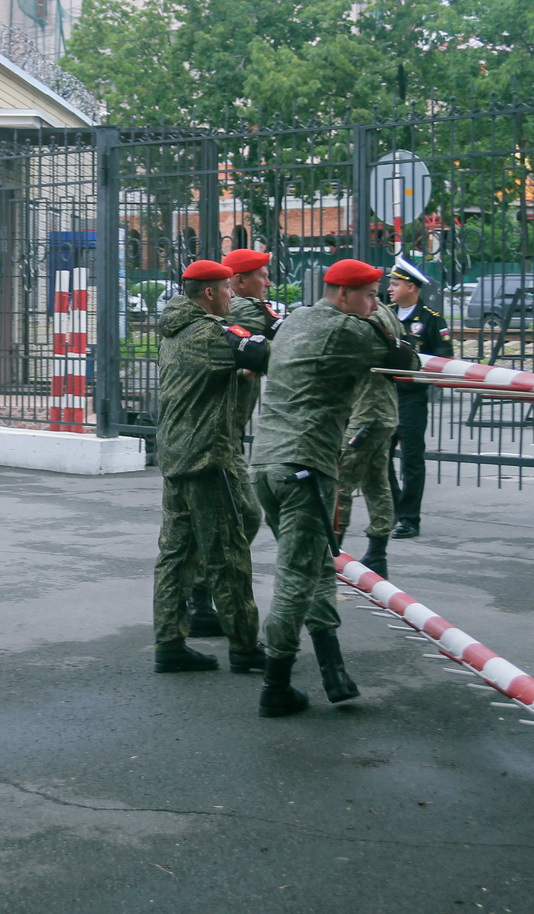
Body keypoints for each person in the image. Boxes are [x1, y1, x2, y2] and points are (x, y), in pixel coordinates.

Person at [249, 258, 419, 717]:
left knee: (315, 568)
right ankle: (276, 684)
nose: (375, 304)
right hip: (306, 467)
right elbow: (407, 359)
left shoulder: (299, 318)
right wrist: (384, 320)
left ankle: (333, 669)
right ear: (344, 295)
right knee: (294, 577)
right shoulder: (349, 332)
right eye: (369, 296)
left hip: (266, 464)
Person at [152, 259, 270, 676]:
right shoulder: (208, 334)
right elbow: (262, 353)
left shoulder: (174, 329)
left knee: (176, 552)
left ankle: (169, 643)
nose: (231, 296)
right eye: (227, 290)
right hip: (206, 457)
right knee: (228, 553)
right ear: (209, 293)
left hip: (175, 455)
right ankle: (245, 647)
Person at [182, 247, 284, 637]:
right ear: (237, 283)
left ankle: (195, 602)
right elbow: (278, 340)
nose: (269, 282)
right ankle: (206, 598)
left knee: (201, 520)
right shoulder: (241, 310)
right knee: (245, 514)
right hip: (216, 436)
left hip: (222, 434)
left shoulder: (242, 311)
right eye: (261, 275)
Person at [334, 295, 407, 578]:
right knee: (377, 482)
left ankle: (333, 550)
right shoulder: (387, 313)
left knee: (341, 480)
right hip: (383, 411)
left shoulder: (365, 320)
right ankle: (378, 553)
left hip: (366, 414)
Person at [387, 257, 454, 540]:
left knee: (412, 459)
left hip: (412, 397)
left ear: (411, 287)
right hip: (384, 394)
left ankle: (409, 519)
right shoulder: (384, 313)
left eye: (395, 284)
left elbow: (445, 357)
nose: (389, 289)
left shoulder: (430, 318)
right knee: (379, 457)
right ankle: (393, 508)